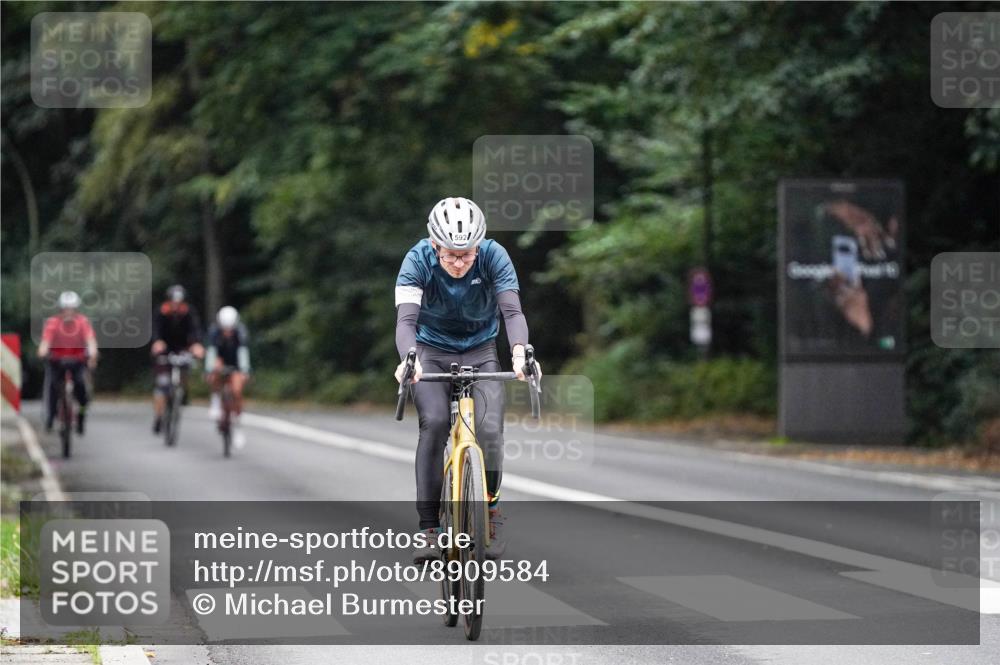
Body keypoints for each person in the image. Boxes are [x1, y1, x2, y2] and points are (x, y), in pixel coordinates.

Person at [394, 196, 541, 563]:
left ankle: (489, 512)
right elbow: (406, 322)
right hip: (432, 350)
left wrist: (520, 353)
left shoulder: (494, 255)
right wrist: (409, 360)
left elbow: (512, 311)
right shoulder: (416, 260)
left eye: (467, 254)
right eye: (450, 255)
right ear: (434, 246)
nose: (459, 262)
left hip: (480, 350)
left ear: (479, 246)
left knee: (490, 429)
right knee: (435, 424)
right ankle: (429, 529)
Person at [37, 291, 98, 434]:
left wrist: (93, 353)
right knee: (52, 386)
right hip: (57, 361)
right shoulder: (53, 323)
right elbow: (45, 342)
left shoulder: (82, 322)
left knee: (82, 388)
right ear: (61, 310)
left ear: (76, 310)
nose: (69, 312)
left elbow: (90, 340)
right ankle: (51, 417)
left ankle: (81, 415)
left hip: (77, 361)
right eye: (66, 309)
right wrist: (42, 351)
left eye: (72, 309)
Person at [150, 285, 205, 433]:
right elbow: (155, 330)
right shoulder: (161, 312)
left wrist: (196, 345)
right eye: (173, 302)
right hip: (164, 349)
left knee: (185, 371)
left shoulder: (189, 312)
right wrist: (157, 342)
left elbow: (195, 329)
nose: (176, 306)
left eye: (178, 303)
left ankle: (182, 394)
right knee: (162, 386)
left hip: (182, 348)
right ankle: (159, 416)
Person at [205, 306, 251, 448]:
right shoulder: (215, 333)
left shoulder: (240, 333)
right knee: (214, 375)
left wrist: (244, 370)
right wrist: (209, 369)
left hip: (236, 364)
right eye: (225, 327)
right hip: (220, 362)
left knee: (237, 391)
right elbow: (211, 352)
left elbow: (243, 352)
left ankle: (237, 425)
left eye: (230, 327)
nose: (227, 330)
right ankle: (215, 401)